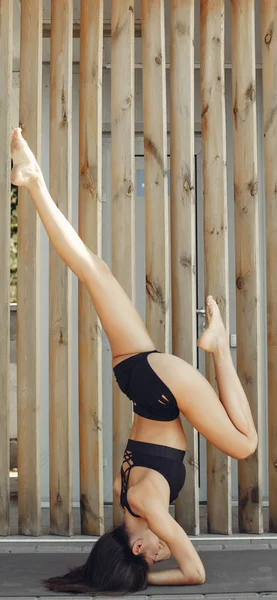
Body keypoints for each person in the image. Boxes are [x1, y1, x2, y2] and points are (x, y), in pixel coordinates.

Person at [10, 127, 258, 594]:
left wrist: (148, 582)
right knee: (93, 269)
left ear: (138, 549)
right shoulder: (126, 504)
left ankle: (219, 345)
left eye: (152, 554)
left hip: (162, 391)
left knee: (246, 446)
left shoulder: (148, 507)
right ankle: (33, 181)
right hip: (135, 376)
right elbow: (159, 549)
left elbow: (195, 573)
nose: (164, 547)